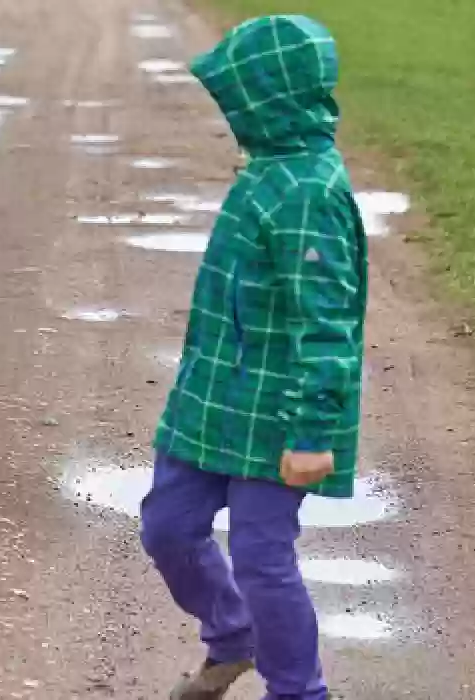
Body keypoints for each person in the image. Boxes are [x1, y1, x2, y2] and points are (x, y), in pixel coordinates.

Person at [139, 14, 367, 700]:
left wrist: (312, 434)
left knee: (264, 558)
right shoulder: (273, 168)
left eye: (238, 101)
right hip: (212, 400)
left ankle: (298, 691)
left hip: (278, 413)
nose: (231, 115)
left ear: (271, 101)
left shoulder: (306, 194)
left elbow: (329, 326)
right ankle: (231, 634)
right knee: (167, 528)